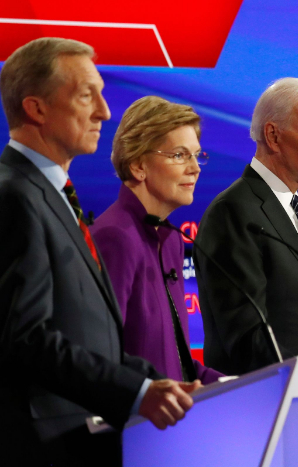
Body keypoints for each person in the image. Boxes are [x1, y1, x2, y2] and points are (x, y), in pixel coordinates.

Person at [0, 38, 199, 465]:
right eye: (87, 94)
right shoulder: (13, 195)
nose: (104, 112)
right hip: (47, 446)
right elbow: (25, 338)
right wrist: (138, 392)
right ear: (36, 108)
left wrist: (157, 383)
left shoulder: (51, 195)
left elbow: (89, 336)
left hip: (85, 439)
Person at [196, 77, 298, 375]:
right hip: (262, 404)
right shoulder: (233, 212)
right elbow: (247, 339)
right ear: (273, 135)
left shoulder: (294, 209)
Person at [92, 96, 224, 385]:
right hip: (136, 422)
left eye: (197, 155)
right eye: (180, 155)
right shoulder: (114, 237)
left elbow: (177, 363)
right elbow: (100, 357)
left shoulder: (171, 239)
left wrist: (235, 386)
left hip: (171, 420)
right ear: (139, 165)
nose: (195, 168)